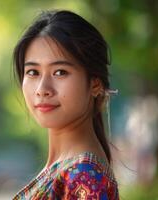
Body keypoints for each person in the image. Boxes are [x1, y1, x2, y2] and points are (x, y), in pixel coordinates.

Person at [12, 10, 119, 199]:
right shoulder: (69, 169)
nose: (42, 89)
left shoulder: (84, 177)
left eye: (60, 72)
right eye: (33, 72)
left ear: (95, 83)